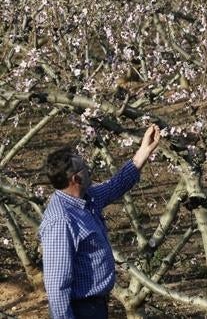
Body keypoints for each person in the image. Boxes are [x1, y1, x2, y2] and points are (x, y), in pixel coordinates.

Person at [40, 125, 161, 319]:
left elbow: (115, 186)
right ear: (75, 178)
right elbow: (57, 286)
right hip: (81, 310)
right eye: (84, 168)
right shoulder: (61, 221)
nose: (89, 170)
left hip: (96, 305)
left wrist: (143, 152)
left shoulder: (87, 199)